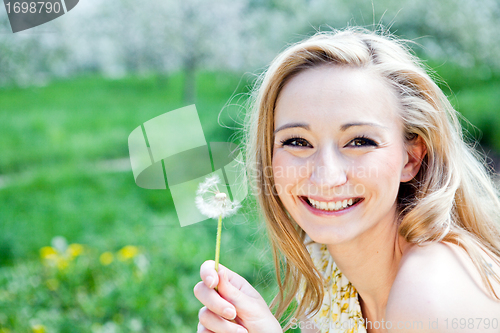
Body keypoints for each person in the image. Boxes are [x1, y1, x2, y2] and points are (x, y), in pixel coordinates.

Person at [193, 27, 500, 333]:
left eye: (359, 141)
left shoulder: (431, 295)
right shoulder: (324, 263)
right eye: (298, 142)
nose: (326, 177)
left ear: (411, 158)